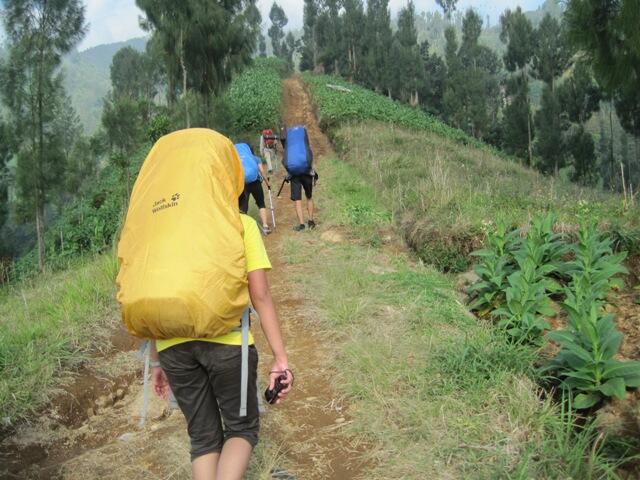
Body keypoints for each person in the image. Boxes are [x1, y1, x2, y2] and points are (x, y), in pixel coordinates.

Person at [142, 134, 293, 480]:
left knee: (203, 438)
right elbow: (261, 296)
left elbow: (156, 297)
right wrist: (281, 359)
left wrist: (155, 361)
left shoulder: (163, 233)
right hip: (227, 344)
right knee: (241, 430)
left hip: (172, 347)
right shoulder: (240, 226)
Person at [282, 126, 317, 232]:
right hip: (306, 171)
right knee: (309, 197)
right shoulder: (303, 143)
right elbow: (310, 155)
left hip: (294, 174)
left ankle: (301, 225)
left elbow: (284, 159)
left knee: (297, 200)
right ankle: (311, 221)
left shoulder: (289, 144)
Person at [236, 142, 272, 235]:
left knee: (243, 208)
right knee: (261, 204)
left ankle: (244, 230)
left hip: (244, 184)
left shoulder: (237, 159)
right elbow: (262, 171)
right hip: (256, 182)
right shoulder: (255, 158)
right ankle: (265, 226)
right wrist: (268, 183)